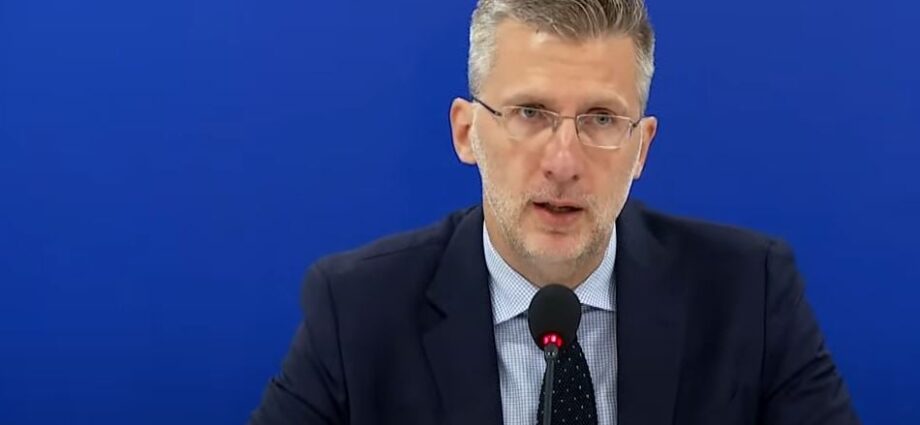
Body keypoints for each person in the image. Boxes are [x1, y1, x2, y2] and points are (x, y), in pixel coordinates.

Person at [249, 0, 860, 424]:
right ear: (466, 132)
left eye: (601, 119)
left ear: (641, 148)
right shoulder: (359, 310)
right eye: (530, 113)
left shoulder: (748, 294)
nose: (563, 162)